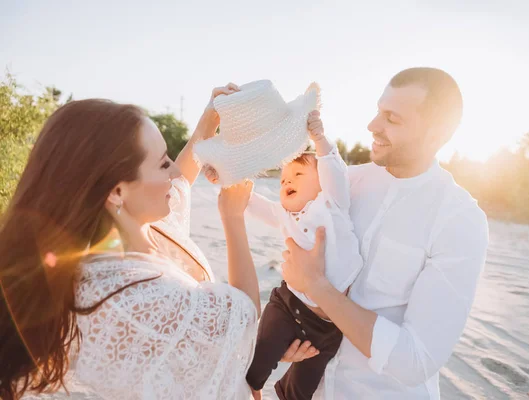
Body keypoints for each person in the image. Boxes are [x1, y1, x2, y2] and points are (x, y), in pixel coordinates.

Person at [0, 84, 316, 400]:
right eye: (162, 163)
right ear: (117, 192)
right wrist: (233, 218)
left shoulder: (141, 231)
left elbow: (179, 182)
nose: (173, 172)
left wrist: (208, 123)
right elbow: (243, 316)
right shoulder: (132, 294)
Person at [281, 67, 490, 399]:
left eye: (392, 119)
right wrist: (284, 339)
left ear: (436, 134)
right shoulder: (345, 181)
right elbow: (292, 229)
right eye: (379, 111)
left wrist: (318, 288)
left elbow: (415, 360)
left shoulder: (459, 220)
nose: (372, 126)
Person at [243, 111, 363, 400]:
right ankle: (249, 388)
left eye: (298, 174)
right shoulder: (284, 213)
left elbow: (334, 171)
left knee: (301, 389)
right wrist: (231, 182)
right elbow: (253, 204)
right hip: (287, 303)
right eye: (284, 179)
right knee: (259, 362)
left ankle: (285, 392)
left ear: (322, 183)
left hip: (328, 323)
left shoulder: (332, 203)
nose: (287, 182)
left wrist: (319, 140)